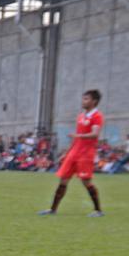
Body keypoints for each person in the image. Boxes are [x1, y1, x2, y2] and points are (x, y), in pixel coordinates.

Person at [38, 90, 105, 218]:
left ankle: (98, 210)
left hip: (86, 154)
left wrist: (78, 135)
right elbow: (76, 139)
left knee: (86, 181)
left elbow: (95, 134)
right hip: (74, 152)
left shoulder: (97, 116)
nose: (83, 101)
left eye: (86, 99)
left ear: (94, 101)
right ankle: (53, 209)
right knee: (63, 180)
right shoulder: (81, 116)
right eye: (83, 98)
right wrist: (67, 153)